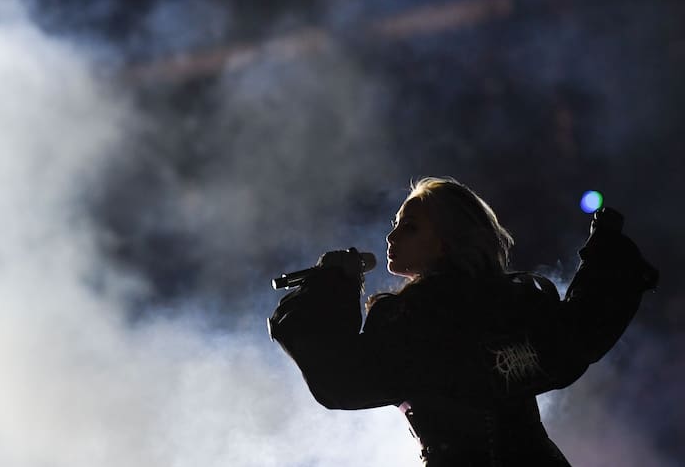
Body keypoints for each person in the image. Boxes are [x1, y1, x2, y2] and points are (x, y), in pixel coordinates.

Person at [268, 177, 657, 466]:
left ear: (446, 242)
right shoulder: (508, 303)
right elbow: (577, 336)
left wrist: (331, 286)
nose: (391, 236)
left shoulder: (411, 320)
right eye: (395, 224)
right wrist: (607, 256)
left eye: (410, 226)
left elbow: (342, 381)